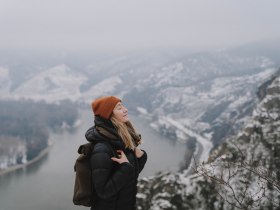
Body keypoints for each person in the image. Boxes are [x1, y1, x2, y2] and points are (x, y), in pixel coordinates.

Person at [85, 96, 147, 210]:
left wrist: (141, 157)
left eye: (123, 106)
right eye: (119, 108)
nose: (125, 109)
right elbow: (103, 192)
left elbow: (129, 178)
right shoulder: (102, 149)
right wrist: (125, 167)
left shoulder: (121, 140)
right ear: (109, 115)